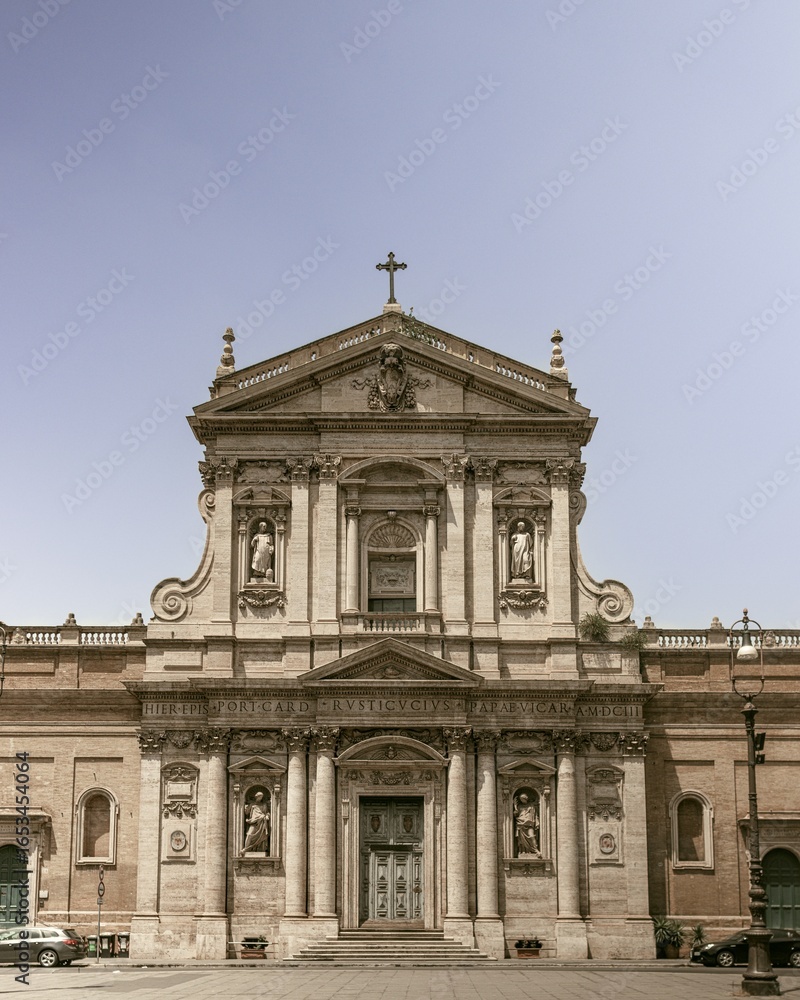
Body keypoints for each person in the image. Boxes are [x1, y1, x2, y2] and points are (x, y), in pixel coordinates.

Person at [514, 792, 540, 856]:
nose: (522, 800)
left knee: (531, 836)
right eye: (521, 799)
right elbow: (516, 814)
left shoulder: (531, 805)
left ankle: (535, 850)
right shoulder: (519, 806)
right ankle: (523, 851)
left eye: (523, 799)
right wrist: (515, 806)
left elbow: (534, 815)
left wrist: (536, 822)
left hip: (529, 823)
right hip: (520, 823)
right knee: (521, 840)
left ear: (526, 798)